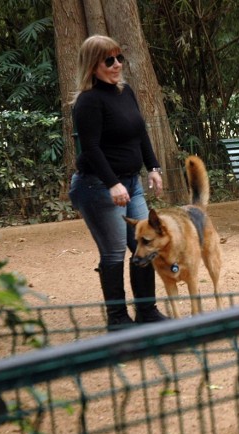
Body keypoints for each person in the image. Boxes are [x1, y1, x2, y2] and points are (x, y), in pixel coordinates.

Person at [69, 35, 167, 330]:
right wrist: (112, 183)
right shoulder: (87, 102)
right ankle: (118, 318)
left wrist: (153, 167)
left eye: (119, 58)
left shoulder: (125, 92)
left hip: (131, 183)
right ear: (93, 66)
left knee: (142, 245)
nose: (116, 65)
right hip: (97, 186)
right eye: (108, 60)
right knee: (113, 251)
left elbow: (140, 132)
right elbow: (91, 148)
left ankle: (147, 311)